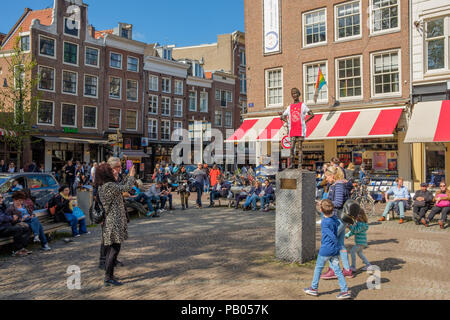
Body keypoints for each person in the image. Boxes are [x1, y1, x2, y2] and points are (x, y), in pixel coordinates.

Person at [97, 163, 136, 286]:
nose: (114, 171)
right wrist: (132, 176)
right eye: (111, 170)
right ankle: (108, 277)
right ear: (107, 173)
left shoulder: (107, 185)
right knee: (114, 249)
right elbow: (126, 187)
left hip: (113, 221)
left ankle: (109, 275)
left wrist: (127, 174)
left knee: (113, 249)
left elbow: (122, 185)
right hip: (113, 221)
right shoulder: (108, 186)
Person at [304, 199, 351, 299]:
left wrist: (337, 244)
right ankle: (344, 291)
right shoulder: (334, 219)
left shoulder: (324, 222)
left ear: (321, 210)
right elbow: (333, 214)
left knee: (318, 268)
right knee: (337, 270)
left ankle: (314, 288)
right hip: (334, 251)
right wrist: (324, 204)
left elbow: (331, 236)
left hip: (326, 250)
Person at [320, 166, 354, 280]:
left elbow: (338, 202)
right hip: (342, 218)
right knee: (340, 245)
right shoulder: (341, 184)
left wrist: (325, 203)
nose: (326, 179)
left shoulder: (338, 185)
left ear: (333, 176)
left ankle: (333, 269)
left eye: (327, 177)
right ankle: (347, 269)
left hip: (338, 218)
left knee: (331, 242)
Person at [280, 88, 315, 169]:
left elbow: (312, 114)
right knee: (291, 148)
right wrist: (288, 122)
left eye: (295, 93)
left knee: (299, 148)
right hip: (292, 130)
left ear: (298, 94)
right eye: (293, 94)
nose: (294, 95)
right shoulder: (290, 107)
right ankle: (292, 164)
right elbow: (282, 117)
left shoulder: (303, 105)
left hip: (300, 130)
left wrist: (305, 121)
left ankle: (299, 165)